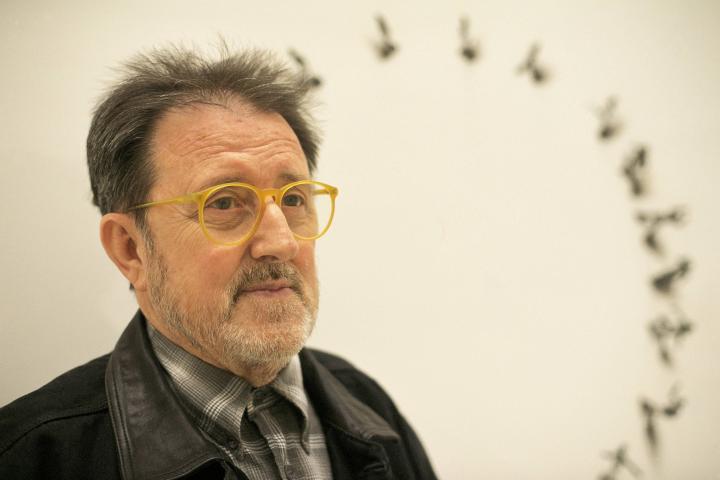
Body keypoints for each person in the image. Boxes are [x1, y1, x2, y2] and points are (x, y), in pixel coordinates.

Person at [0, 44, 437, 480]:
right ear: (130, 248)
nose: (281, 242)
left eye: (293, 199)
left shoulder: (369, 407)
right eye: (224, 202)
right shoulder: (34, 457)